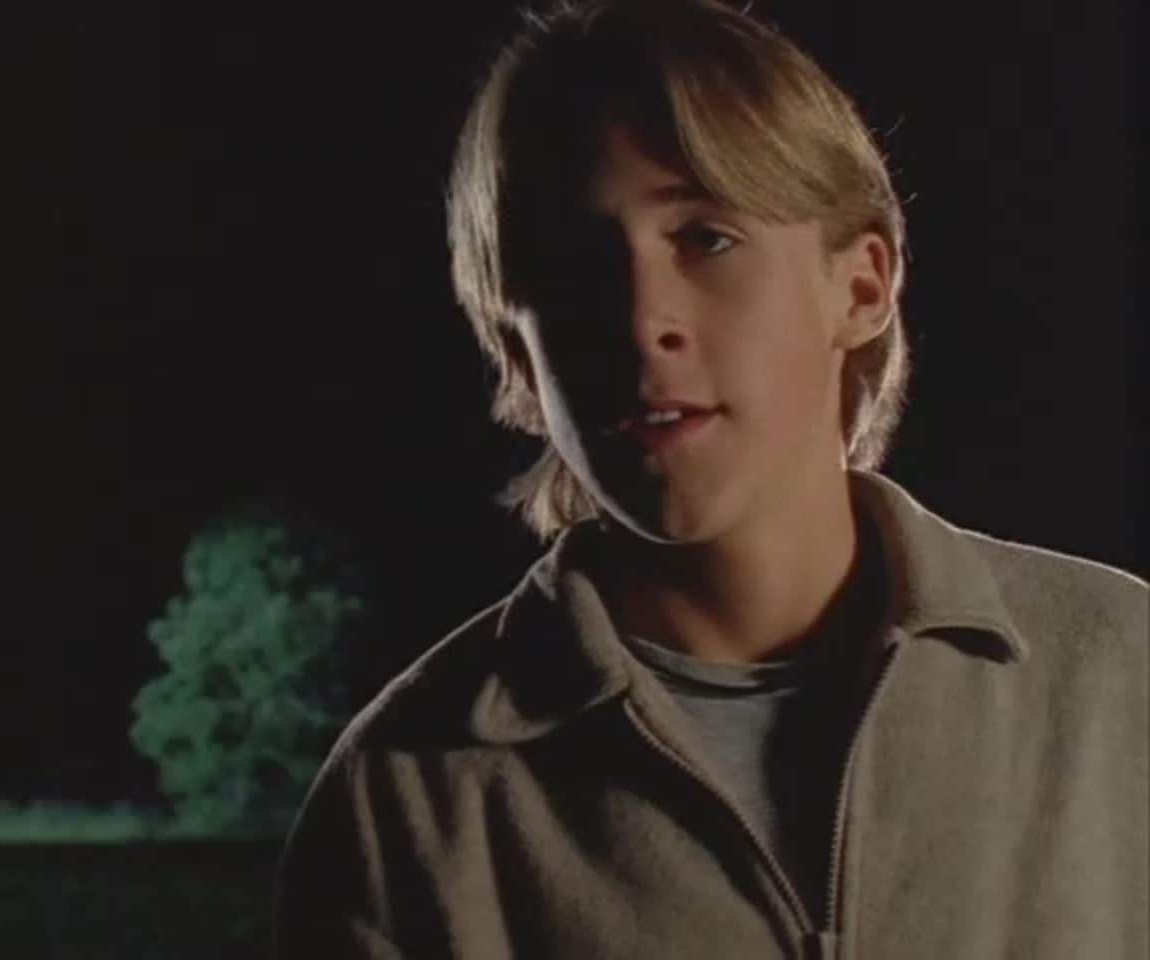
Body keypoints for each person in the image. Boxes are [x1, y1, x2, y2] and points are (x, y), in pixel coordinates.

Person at [272, 1, 1148, 956]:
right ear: (515, 347)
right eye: (572, 262)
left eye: (706, 238)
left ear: (861, 286)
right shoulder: (405, 801)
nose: (642, 320)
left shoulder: (1118, 674)